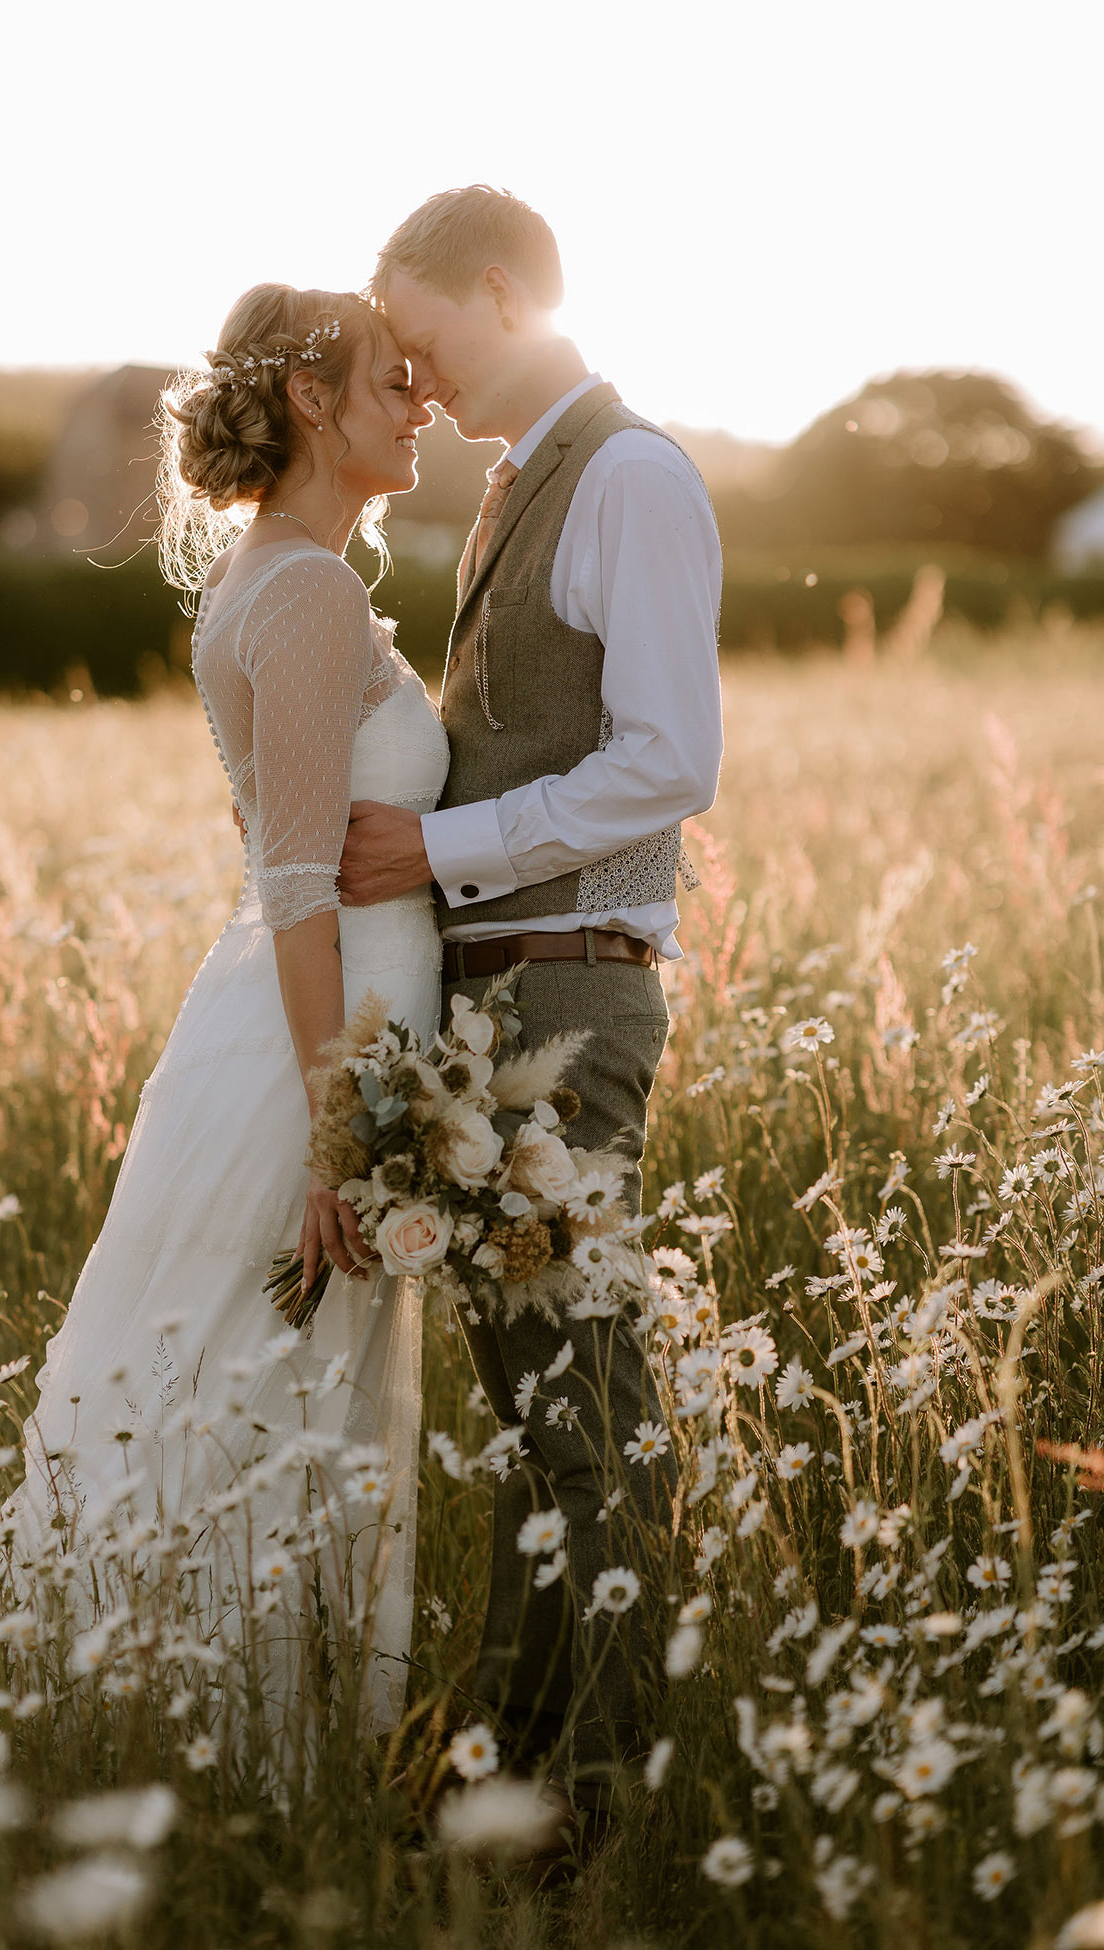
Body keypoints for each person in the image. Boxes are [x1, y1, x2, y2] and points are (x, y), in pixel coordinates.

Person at [0, 287, 447, 1773]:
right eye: (390, 379)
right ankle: (210, 1757)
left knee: (255, 1388)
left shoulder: (293, 578)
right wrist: (336, 1120)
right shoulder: (305, 593)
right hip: (308, 1048)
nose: (418, 403)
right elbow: (298, 880)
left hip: (318, 1031)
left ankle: (168, 1740)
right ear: (308, 398)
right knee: (253, 1388)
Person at [339, 187, 725, 1818]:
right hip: (509, 1005)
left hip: (573, 1000)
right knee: (542, 1417)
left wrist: (441, 844)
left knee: (586, 1419)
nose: (412, 384)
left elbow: (667, 763)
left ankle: (609, 1801)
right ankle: (515, 1769)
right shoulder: (521, 483)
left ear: (503, 291)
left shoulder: (629, 474)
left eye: (423, 343)